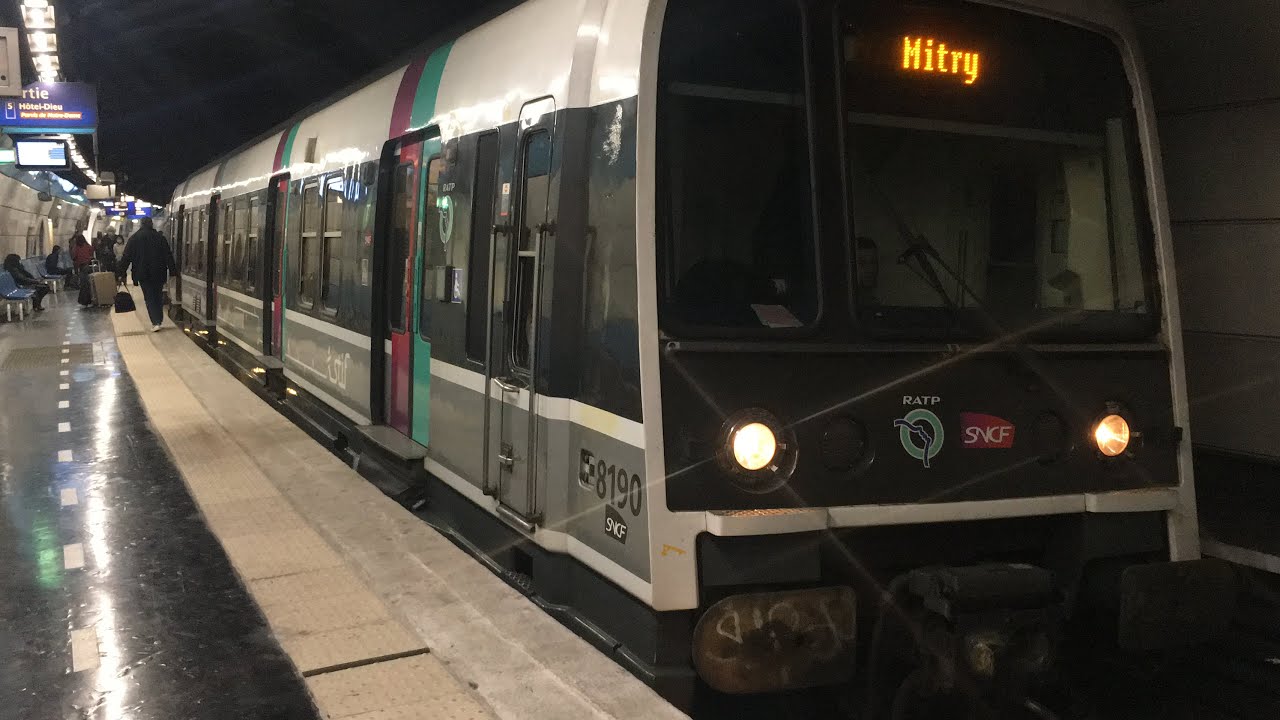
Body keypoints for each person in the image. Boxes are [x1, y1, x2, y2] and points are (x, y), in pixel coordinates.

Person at [118, 217, 177, 332]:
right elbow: (168, 255)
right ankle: (158, 319)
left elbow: (126, 257)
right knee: (158, 296)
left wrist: (121, 273)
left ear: (141, 225)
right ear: (151, 224)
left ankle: (155, 322)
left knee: (149, 297)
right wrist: (173, 271)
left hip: (142, 273)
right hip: (159, 272)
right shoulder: (160, 238)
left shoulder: (134, 239)